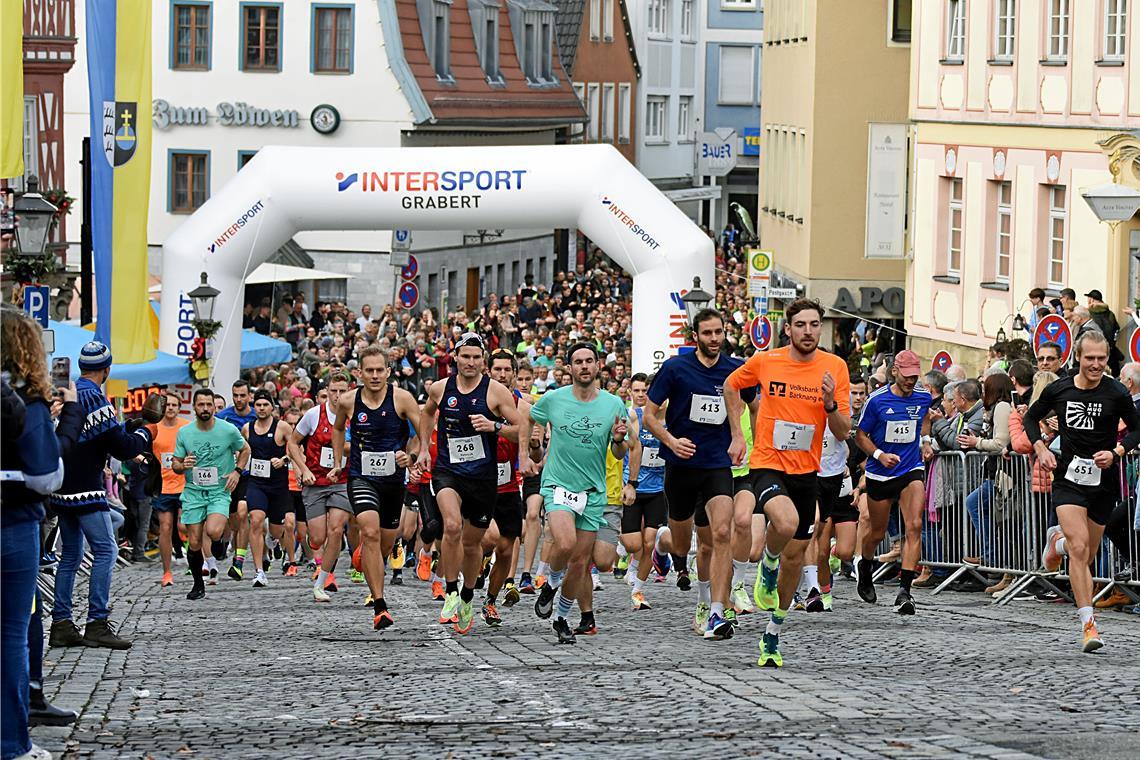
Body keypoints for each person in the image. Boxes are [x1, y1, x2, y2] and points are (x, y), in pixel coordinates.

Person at [725, 298, 851, 668]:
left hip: (805, 471)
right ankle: (767, 559)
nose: (808, 331)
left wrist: (829, 405)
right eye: (801, 325)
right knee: (787, 522)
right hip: (767, 462)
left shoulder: (835, 368)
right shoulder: (767, 361)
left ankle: (773, 633)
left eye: (814, 325)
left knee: (796, 557)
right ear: (788, 328)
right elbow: (732, 386)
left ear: (821, 328)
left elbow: (843, 432)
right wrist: (737, 435)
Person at [644, 308, 758, 641]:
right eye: (707, 333)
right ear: (695, 336)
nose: (714, 339)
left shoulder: (735, 370)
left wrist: (741, 436)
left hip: (716, 466)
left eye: (719, 332)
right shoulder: (675, 368)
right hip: (680, 466)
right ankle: (662, 545)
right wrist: (670, 440)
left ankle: (715, 610)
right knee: (684, 544)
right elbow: (650, 416)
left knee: (721, 534)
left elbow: (755, 404)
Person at [1023, 332, 1140, 652]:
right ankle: (1089, 625)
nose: (1096, 364)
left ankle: (1055, 543)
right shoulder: (1060, 389)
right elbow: (1031, 418)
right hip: (1068, 479)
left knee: (1085, 554)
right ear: (1078, 357)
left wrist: (1117, 452)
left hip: (1103, 483)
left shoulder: (1116, 392)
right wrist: (1040, 449)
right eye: (1090, 358)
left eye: (1102, 359)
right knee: (1080, 544)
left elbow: (1138, 427)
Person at [2, 307, 83, 760]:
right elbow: (45, 475)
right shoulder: (27, 397)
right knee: (11, 635)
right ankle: (12, 743)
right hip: (12, 524)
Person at [521, 342, 629, 644]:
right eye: (577, 361)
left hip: (593, 492)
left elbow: (619, 453)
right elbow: (528, 417)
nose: (584, 366)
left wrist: (619, 440)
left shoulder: (612, 405)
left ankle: (561, 618)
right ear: (569, 368)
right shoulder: (554, 399)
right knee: (565, 542)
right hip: (558, 485)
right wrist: (526, 452)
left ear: (597, 366)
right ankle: (551, 583)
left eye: (589, 361)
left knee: (581, 563)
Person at [49, 341, 153, 650]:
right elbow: (121, 447)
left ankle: (61, 623)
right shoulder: (95, 397)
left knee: (70, 555)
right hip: (86, 490)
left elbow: (99, 436)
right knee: (106, 550)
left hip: (62, 487)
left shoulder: (71, 391)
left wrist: (125, 428)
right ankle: (96, 622)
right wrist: (144, 433)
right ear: (106, 370)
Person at [416, 333, 522, 634]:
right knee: (451, 526)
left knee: (474, 542)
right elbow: (426, 415)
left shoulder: (496, 392)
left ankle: (466, 596)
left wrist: (494, 426)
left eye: (477, 357)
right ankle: (450, 592)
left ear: (483, 362)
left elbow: (520, 428)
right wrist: (424, 448)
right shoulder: (440, 388)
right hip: (448, 471)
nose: (471, 362)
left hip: (484, 478)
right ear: (456, 358)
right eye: (466, 356)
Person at [331, 346, 424, 630]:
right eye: (368, 370)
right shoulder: (348, 401)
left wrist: (411, 457)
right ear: (359, 373)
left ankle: (367, 556)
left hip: (393, 481)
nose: (374, 375)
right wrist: (338, 461)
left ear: (388, 371)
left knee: (384, 540)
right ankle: (380, 605)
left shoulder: (402, 399)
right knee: (369, 529)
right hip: (361, 477)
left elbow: (424, 432)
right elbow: (337, 430)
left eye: (379, 370)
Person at [851, 350, 934, 614]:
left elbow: (925, 421)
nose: (911, 381)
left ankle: (905, 592)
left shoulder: (922, 397)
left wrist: (926, 442)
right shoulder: (876, 400)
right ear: (895, 371)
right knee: (876, 533)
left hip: (910, 469)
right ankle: (865, 565)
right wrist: (878, 454)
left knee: (915, 525)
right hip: (881, 473)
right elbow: (860, 435)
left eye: (915, 376)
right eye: (907, 376)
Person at [172, 389, 251, 600]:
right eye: (201, 405)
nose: (205, 409)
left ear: (214, 407)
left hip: (219, 490)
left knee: (214, 530)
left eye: (209, 405)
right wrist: (182, 465)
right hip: (193, 492)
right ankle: (198, 584)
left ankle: (219, 543)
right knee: (195, 542)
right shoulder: (185, 433)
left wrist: (237, 471)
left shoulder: (227, 430)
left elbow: (246, 450)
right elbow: (175, 463)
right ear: (194, 407)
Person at [288, 371, 352, 603]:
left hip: (342, 482)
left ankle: (321, 581)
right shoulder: (314, 415)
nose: (336, 396)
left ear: (349, 391)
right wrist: (303, 469)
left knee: (336, 529)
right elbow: (293, 444)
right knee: (317, 537)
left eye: (342, 391)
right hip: (315, 482)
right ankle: (314, 549)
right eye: (333, 391)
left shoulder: (356, 415)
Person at [480, 350, 534, 626]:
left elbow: (532, 451)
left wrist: (531, 448)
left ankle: (490, 600)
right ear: (489, 371)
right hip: (478, 484)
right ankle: (479, 561)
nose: (502, 374)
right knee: (489, 538)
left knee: (505, 549)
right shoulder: (478, 401)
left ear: (514, 373)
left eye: (506, 370)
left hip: (509, 487)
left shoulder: (524, 408)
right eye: (497, 369)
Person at [620, 373, 667, 611]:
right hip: (635, 487)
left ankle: (638, 589)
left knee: (649, 542)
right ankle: (628, 558)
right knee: (632, 543)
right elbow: (631, 448)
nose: (643, 396)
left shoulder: (671, 419)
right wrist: (629, 482)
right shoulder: (634, 416)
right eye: (638, 391)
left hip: (659, 489)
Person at [241, 390, 295, 589]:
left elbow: (295, 450)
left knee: (276, 530)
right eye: (258, 405)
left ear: (272, 407)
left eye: (265, 405)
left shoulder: (282, 427)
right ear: (254, 407)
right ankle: (259, 571)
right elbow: (243, 451)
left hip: (278, 486)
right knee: (255, 520)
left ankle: (275, 543)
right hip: (257, 483)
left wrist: (284, 460)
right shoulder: (247, 428)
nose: (262, 409)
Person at [215, 380, 257, 581]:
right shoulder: (223, 418)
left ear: (250, 396)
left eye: (243, 395)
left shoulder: (257, 416)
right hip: (227, 474)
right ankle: (232, 539)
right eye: (235, 395)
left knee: (243, 513)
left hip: (249, 474)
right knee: (233, 520)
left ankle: (239, 561)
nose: (239, 399)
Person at [148, 390, 189, 587]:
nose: (170, 408)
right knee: (165, 527)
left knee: (184, 525)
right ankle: (167, 572)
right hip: (163, 485)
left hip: (185, 484)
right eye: (167, 405)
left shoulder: (186, 428)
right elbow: (142, 451)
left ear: (179, 408)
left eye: (174, 405)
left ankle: (195, 558)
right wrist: (144, 460)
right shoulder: (154, 428)